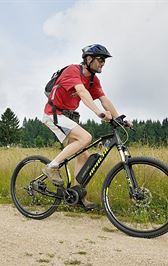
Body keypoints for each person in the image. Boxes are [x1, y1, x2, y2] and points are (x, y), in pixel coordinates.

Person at [42, 44, 130, 210]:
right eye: (100, 60)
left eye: (104, 61)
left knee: (83, 155)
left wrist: (119, 118)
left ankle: (76, 196)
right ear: (88, 59)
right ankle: (51, 167)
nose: (103, 63)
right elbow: (82, 92)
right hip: (54, 114)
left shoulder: (93, 80)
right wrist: (99, 113)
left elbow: (104, 99)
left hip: (68, 116)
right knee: (86, 138)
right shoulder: (72, 71)